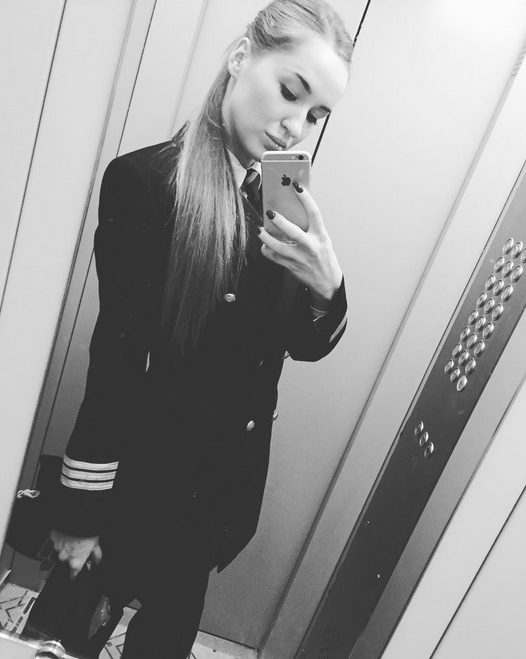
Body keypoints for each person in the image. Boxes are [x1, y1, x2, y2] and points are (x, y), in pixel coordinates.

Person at [24, 1, 353, 657]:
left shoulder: (284, 190)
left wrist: (328, 286)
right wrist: (82, 513)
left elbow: (298, 344)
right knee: (72, 637)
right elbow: (115, 362)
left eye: (317, 114)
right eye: (291, 92)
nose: (296, 127)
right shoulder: (148, 183)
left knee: (165, 643)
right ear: (241, 58)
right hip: (138, 484)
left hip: (218, 493)